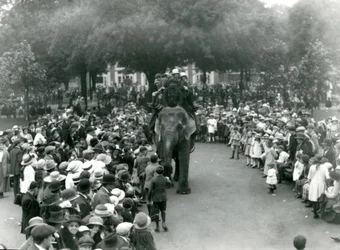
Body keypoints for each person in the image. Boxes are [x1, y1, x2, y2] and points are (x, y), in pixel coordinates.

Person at [148, 166, 169, 232]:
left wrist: (149, 198)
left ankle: (157, 227)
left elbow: (150, 190)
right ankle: (164, 223)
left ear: (156, 172)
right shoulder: (165, 178)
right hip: (163, 197)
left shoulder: (153, 179)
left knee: (156, 213)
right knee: (163, 210)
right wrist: (168, 179)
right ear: (163, 172)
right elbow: (169, 183)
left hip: (156, 197)